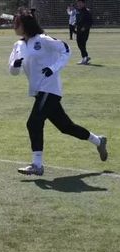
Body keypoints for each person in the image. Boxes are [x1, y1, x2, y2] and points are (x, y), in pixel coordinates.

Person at [8, 9, 107, 176]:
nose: (14, 26)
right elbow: (13, 71)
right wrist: (14, 65)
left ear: (26, 25)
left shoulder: (42, 39)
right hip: (38, 91)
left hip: (50, 88)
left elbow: (66, 49)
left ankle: (37, 165)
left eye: (17, 23)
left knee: (33, 122)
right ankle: (98, 141)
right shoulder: (17, 45)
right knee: (66, 127)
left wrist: (53, 68)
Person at [75, 0, 93, 64]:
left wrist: (84, 27)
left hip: (85, 31)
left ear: (83, 4)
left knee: (82, 44)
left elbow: (90, 22)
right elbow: (77, 20)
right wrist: (75, 24)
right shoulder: (77, 11)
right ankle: (85, 57)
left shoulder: (87, 11)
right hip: (78, 30)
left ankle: (85, 58)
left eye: (80, 3)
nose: (79, 4)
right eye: (78, 3)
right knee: (79, 44)